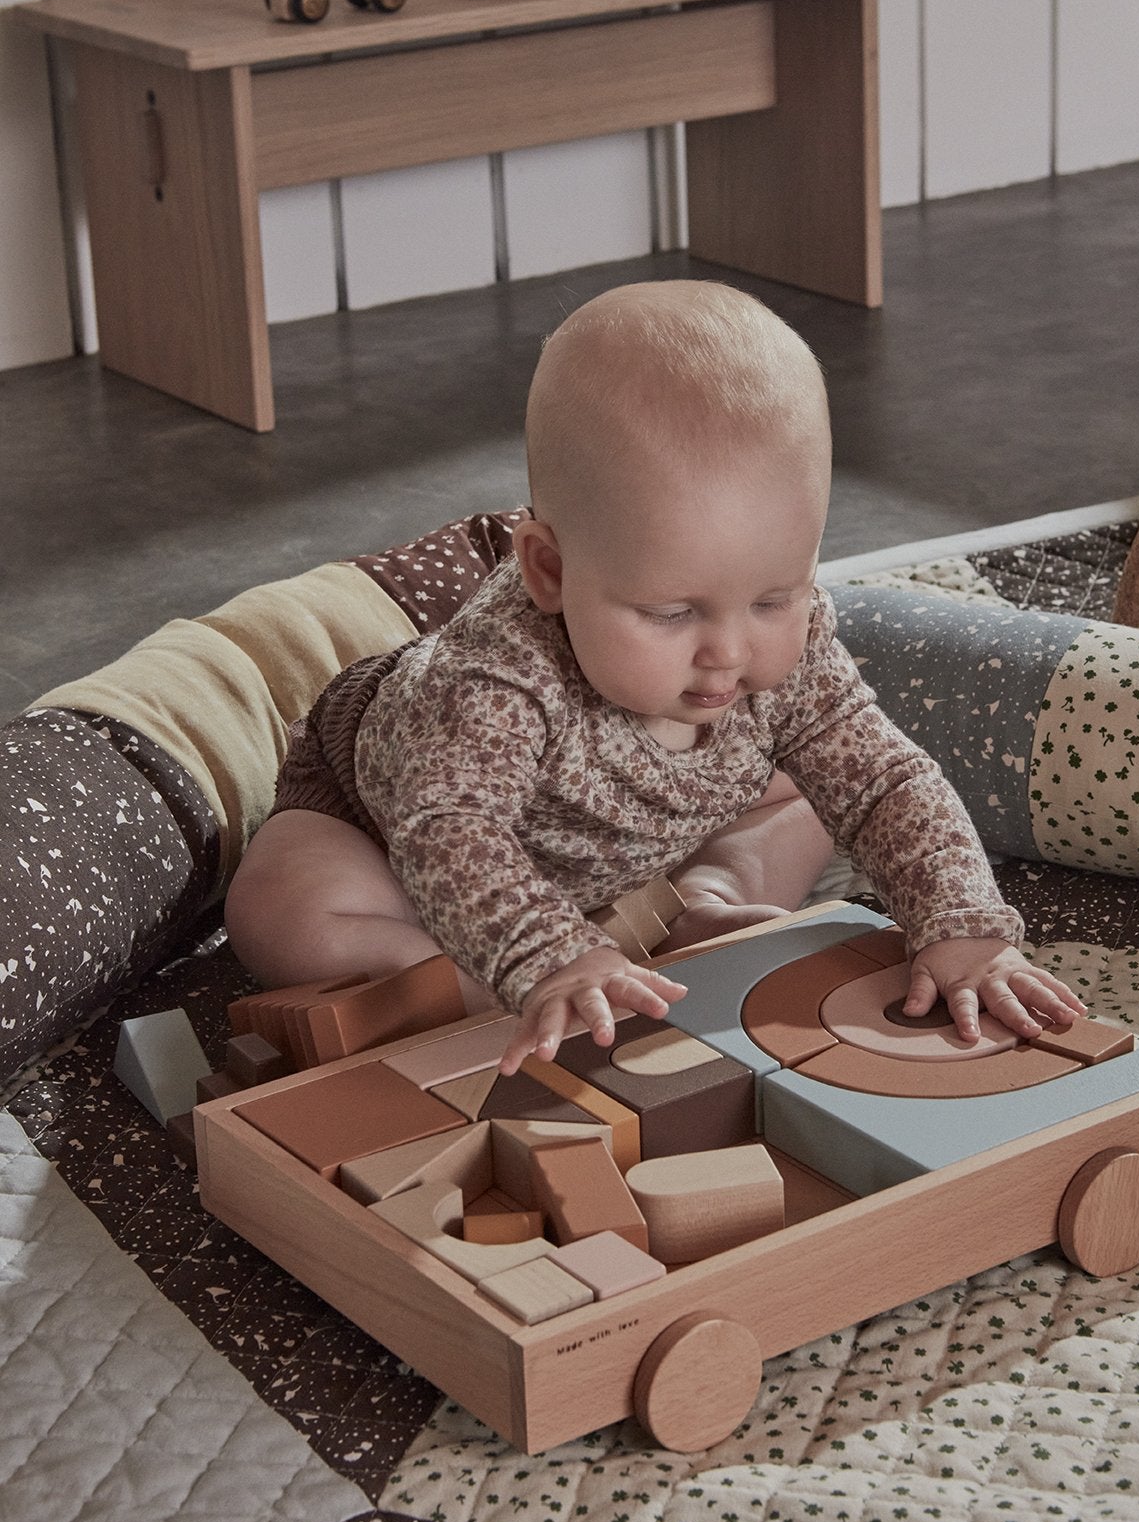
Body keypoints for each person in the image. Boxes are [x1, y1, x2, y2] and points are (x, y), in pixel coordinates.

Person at [226, 280, 1085, 1074]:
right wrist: (545, 954)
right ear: (551, 570)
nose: (728, 653)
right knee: (281, 911)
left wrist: (963, 923)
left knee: (813, 791)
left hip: (639, 840)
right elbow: (449, 830)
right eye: (673, 613)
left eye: (773, 596)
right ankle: (458, 978)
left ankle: (699, 903)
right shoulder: (492, 681)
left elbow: (888, 783)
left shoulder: (782, 653)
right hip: (395, 835)